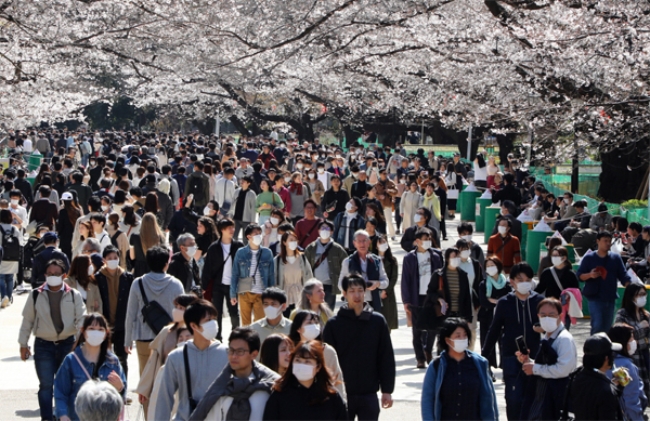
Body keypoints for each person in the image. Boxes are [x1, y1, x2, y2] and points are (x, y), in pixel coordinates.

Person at [18, 259, 86, 421]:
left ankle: (66, 417)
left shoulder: (73, 294)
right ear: (45, 275)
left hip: (67, 345)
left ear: (64, 276)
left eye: (56, 274)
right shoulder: (36, 294)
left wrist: (79, 343)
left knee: (67, 385)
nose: (52, 276)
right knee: (46, 386)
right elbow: (27, 320)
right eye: (49, 274)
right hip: (43, 346)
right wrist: (23, 344)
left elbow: (82, 319)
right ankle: (47, 418)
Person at [323, 273, 395, 421]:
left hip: (368, 393)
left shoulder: (377, 322)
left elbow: (386, 357)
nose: (357, 295)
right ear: (344, 293)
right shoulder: (334, 324)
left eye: (360, 290)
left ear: (365, 292)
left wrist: (387, 390)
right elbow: (326, 361)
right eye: (352, 291)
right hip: (341, 393)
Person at [481, 262, 543, 420]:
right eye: (520, 279)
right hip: (511, 356)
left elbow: (553, 327)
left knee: (533, 398)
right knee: (513, 398)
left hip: (534, 356)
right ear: (512, 281)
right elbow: (494, 329)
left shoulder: (539, 302)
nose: (524, 283)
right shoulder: (504, 302)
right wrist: (484, 356)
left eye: (528, 279)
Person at [153, 300, 229, 421]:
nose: (214, 323)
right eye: (208, 320)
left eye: (215, 319)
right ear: (193, 326)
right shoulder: (176, 357)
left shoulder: (227, 354)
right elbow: (164, 398)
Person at [188, 327, 280, 420]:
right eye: (231, 350)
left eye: (240, 351)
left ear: (254, 354)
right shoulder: (221, 389)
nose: (233, 356)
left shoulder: (269, 387)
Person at [421, 317, 498, 421]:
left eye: (465, 335)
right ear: (447, 340)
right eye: (458, 336)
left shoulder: (480, 363)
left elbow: (490, 398)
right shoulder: (437, 365)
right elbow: (427, 400)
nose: (462, 339)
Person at [124, 246, 185, 375]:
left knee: (146, 378)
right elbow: (183, 314)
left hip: (143, 338)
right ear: (166, 264)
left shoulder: (138, 283)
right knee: (167, 378)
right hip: (168, 338)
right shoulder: (176, 284)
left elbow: (131, 313)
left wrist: (127, 339)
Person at [53, 313, 127, 421]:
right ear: (83, 331)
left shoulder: (113, 361)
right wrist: (63, 415)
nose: (95, 333)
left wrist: (120, 388)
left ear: (106, 333)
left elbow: (121, 395)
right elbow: (60, 392)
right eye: (91, 328)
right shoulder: (71, 360)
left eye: (100, 329)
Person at [516, 298, 578, 420]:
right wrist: (528, 362)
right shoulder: (547, 336)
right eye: (543, 315)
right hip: (542, 395)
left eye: (551, 315)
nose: (547, 318)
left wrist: (535, 369)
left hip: (557, 396)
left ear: (560, 316)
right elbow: (546, 364)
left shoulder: (564, 339)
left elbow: (563, 370)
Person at [136, 294, 199, 409]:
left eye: (181, 308)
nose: (177, 310)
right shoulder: (167, 331)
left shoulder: (199, 331)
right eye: (176, 307)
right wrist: (145, 389)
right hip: (166, 382)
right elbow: (153, 361)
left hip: (192, 384)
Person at [263, 340, 348, 421]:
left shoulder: (331, 397)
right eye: (298, 360)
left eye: (307, 362)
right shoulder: (279, 395)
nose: (301, 365)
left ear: (318, 367)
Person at [401, 228, 443, 367]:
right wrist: (406, 300)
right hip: (416, 296)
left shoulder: (437, 255)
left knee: (433, 327)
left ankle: (428, 351)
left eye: (429, 239)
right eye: (425, 239)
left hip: (431, 296)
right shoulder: (409, 258)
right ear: (417, 241)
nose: (428, 242)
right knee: (417, 329)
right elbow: (405, 280)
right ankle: (420, 357)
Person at [577, 230, 632, 334]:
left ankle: (605, 348)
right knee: (597, 325)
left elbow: (623, 275)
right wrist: (590, 275)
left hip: (610, 297)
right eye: (605, 240)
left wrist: (631, 287)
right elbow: (579, 275)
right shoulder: (589, 258)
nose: (607, 243)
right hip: (595, 298)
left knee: (607, 327)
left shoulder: (615, 258)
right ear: (598, 241)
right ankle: (594, 347)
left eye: (609, 241)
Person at [288, 310, 346, 400]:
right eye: (309, 323)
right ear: (298, 329)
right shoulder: (290, 350)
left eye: (316, 323)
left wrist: (342, 404)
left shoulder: (328, 351)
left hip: (323, 401)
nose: (314, 326)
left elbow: (337, 381)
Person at [202, 218, 244, 341]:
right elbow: (207, 268)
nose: (232, 230)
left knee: (234, 313)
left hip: (233, 285)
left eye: (233, 227)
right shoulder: (214, 248)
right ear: (222, 230)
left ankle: (236, 336)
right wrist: (203, 287)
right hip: (217, 285)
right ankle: (217, 337)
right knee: (217, 313)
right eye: (228, 228)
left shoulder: (238, 246)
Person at [95, 245, 134, 376]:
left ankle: (122, 390)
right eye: (109, 258)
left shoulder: (127, 277)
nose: (113, 260)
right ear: (104, 260)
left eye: (115, 257)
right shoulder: (98, 278)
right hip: (104, 324)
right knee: (101, 358)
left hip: (122, 324)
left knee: (122, 359)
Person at [569, 333, 624, 420]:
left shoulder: (576, 377)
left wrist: (616, 388)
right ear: (606, 359)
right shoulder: (605, 391)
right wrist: (612, 389)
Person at [231, 224, 276, 326]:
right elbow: (235, 273)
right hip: (244, 293)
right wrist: (233, 294)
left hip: (261, 293)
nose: (259, 236)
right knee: (245, 325)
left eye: (260, 233)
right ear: (248, 237)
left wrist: (272, 295)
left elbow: (271, 275)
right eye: (255, 234)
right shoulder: (240, 252)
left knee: (259, 324)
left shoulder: (267, 252)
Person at [338, 230, 389, 312]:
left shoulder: (376, 260)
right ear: (354, 243)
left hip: (373, 301)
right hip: (354, 301)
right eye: (359, 241)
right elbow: (340, 284)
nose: (362, 244)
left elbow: (385, 281)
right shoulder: (348, 262)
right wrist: (352, 287)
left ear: (369, 242)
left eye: (364, 241)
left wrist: (377, 284)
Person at [606, 323, 648, 421]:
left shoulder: (605, 361)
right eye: (631, 339)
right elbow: (631, 400)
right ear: (623, 342)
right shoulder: (626, 366)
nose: (635, 342)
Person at [615, 282, 650, 397]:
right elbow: (621, 335)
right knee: (632, 385)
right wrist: (639, 327)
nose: (643, 297)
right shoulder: (622, 314)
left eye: (644, 294)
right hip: (630, 356)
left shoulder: (646, 315)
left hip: (645, 354)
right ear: (631, 296)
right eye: (640, 294)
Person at [303, 220, 347, 310]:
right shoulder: (311, 247)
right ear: (318, 231)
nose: (324, 230)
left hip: (330, 285)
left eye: (327, 228)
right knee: (314, 309)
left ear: (331, 231)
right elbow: (304, 265)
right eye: (322, 228)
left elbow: (346, 264)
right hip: (314, 284)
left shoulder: (337, 248)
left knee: (328, 310)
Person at [478, 256, 511, 370]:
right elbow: (483, 301)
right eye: (488, 266)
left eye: (492, 265)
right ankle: (489, 367)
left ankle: (504, 366)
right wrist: (496, 301)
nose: (490, 268)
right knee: (487, 343)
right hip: (487, 317)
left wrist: (493, 300)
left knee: (504, 343)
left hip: (503, 317)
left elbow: (509, 299)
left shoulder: (506, 283)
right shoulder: (484, 283)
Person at [275, 230, 313, 315]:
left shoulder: (302, 258)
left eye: (295, 240)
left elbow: (309, 275)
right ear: (284, 242)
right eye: (291, 240)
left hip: (300, 295)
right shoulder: (277, 260)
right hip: (284, 295)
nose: (294, 242)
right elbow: (274, 279)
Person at [129, 212, 167, 277]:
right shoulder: (160, 237)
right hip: (155, 268)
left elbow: (132, 257)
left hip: (139, 268)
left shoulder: (134, 237)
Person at [0, 209, 23, 307]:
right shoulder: (15, 229)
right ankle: (8, 298)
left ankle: (4, 295)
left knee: (1, 277)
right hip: (13, 257)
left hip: (1, 256)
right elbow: (20, 243)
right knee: (10, 278)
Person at [376, 236, 398, 331]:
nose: (383, 244)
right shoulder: (373, 259)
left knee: (387, 320)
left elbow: (394, 278)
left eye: (384, 242)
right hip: (375, 292)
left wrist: (386, 291)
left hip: (388, 293)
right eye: (380, 242)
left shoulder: (392, 260)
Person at [230, 176, 257, 244]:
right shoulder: (237, 191)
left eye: (244, 181)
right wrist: (230, 215)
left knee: (245, 238)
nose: (242, 182)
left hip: (246, 219)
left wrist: (253, 220)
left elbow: (253, 208)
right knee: (234, 236)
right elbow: (232, 203)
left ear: (249, 183)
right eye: (241, 180)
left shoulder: (252, 194)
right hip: (236, 218)